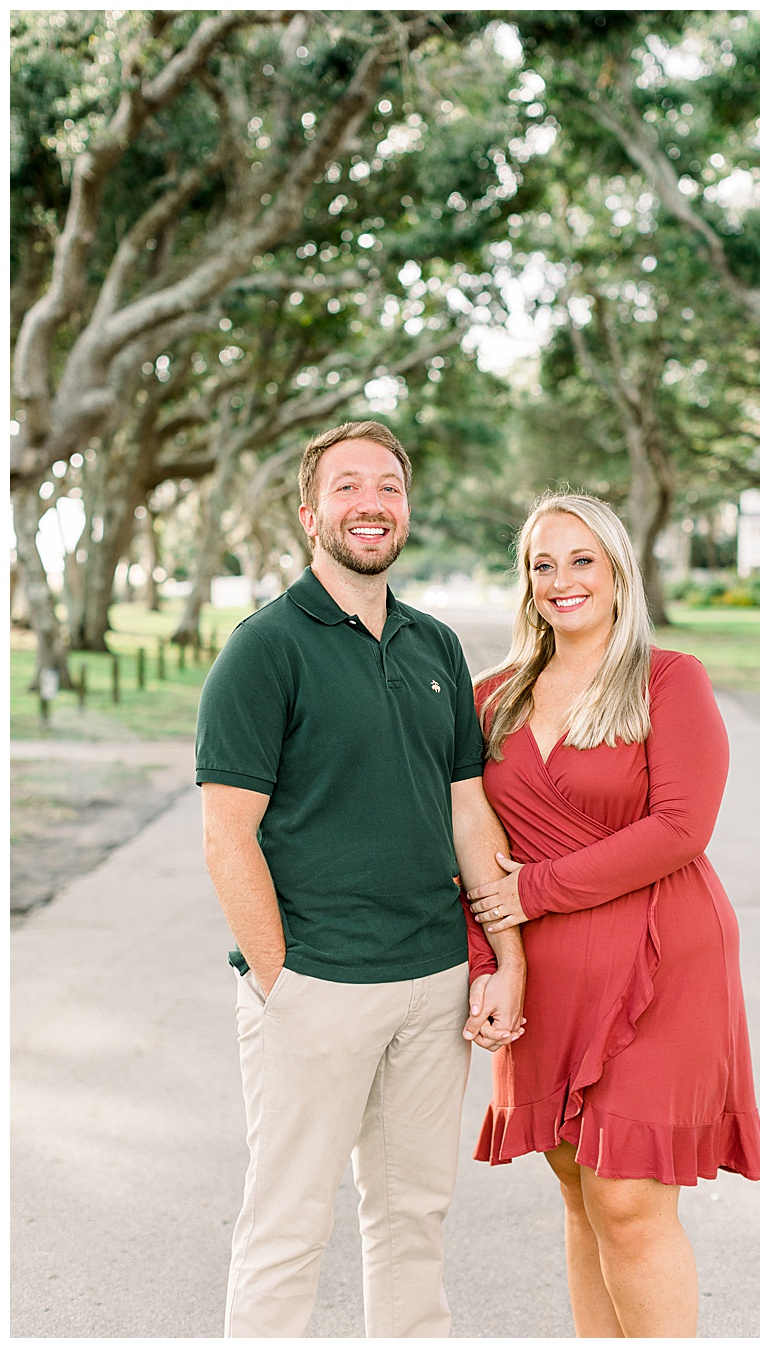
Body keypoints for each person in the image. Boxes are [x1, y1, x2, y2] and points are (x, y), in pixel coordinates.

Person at [197, 421, 526, 1337]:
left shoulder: (435, 647)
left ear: (406, 509)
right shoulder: (263, 649)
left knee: (413, 1217)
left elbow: (468, 811)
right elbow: (229, 838)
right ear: (311, 514)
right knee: (288, 1223)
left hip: (432, 985)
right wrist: (282, 984)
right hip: (316, 985)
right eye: (347, 487)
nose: (370, 504)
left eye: (387, 486)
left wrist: (507, 955)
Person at [462, 492, 760, 1337]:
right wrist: (489, 960)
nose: (562, 580)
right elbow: (464, 840)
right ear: (526, 583)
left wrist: (531, 891)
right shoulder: (490, 698)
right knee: (577, 1191)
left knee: (628, 1198)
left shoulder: (668, 679)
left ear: (618, 570)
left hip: (663, 955)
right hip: (549, 970)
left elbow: (681, 828)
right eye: (542, 564)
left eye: (581, 560)